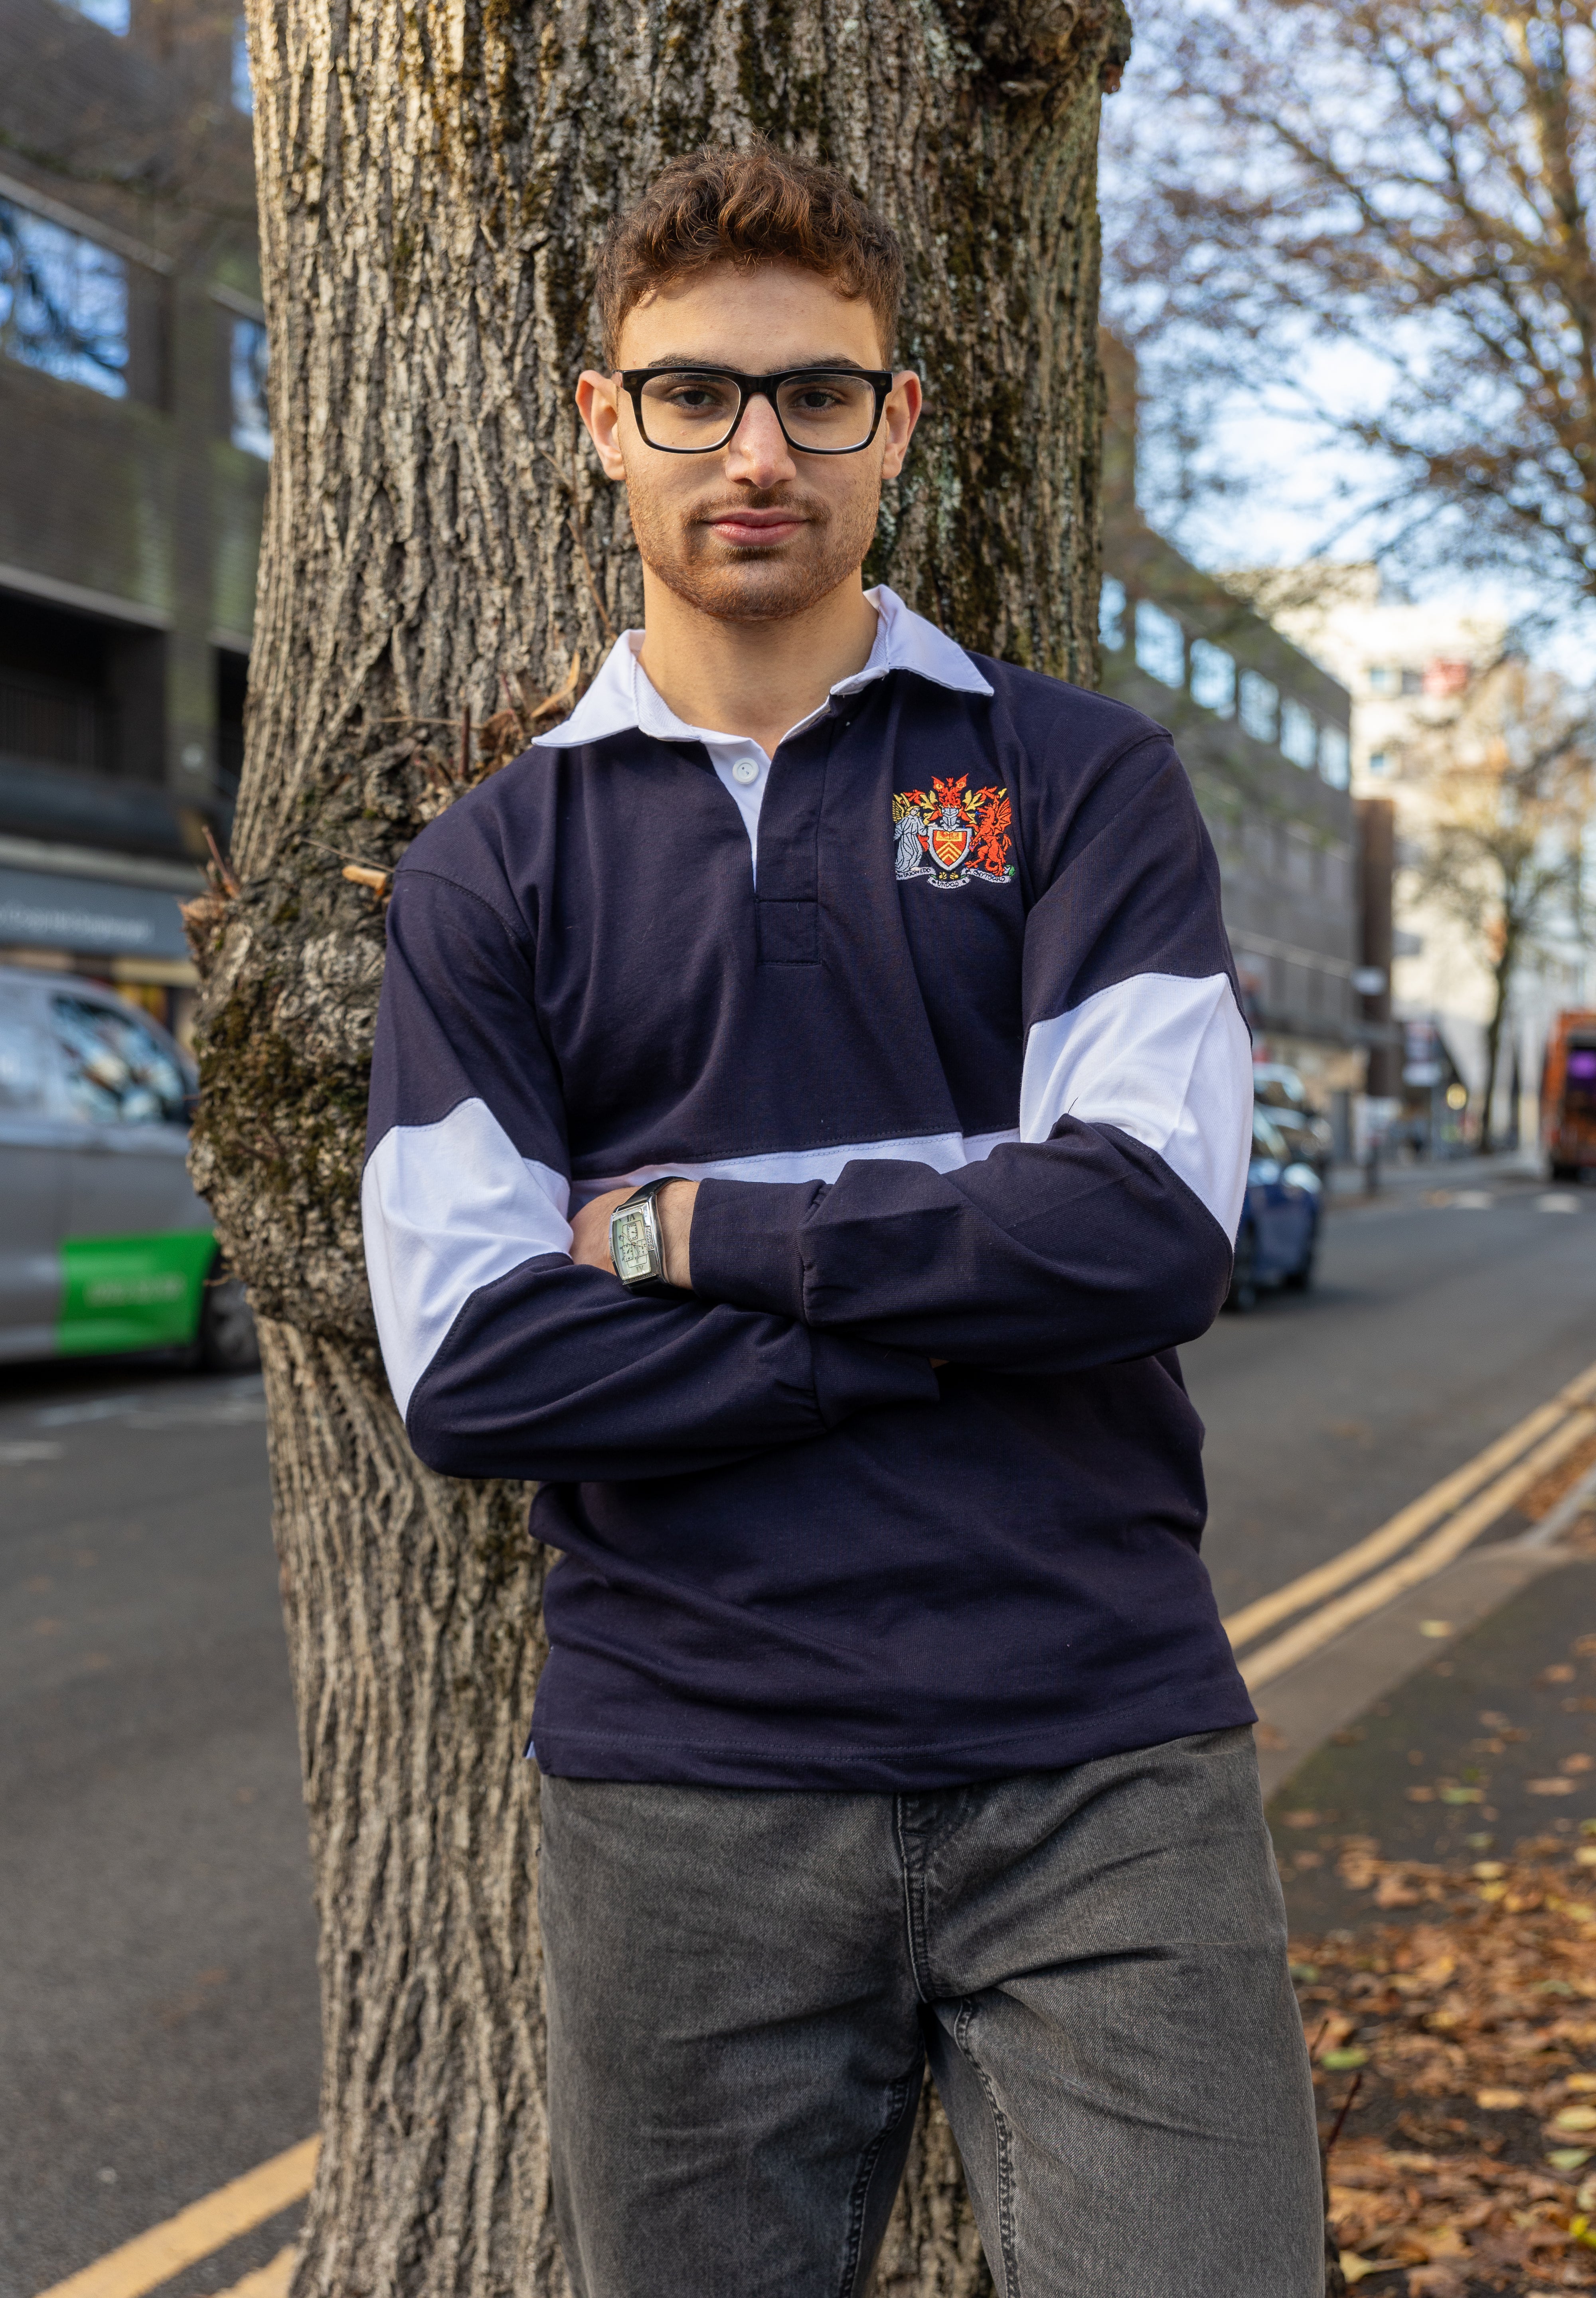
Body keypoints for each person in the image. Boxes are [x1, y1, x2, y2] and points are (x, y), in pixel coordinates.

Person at [361, 142, 1322, 2298]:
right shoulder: (490, 876)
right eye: (694, 395)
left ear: (897, 422)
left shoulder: (1083, 786)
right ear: (605, 425)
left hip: (1101, 1763)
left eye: (818, 396)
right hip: (686, 1791)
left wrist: (698, 1232)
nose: (757, 449)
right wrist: (972, 1282)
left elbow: (1154, 1234)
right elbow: (472, 1365)